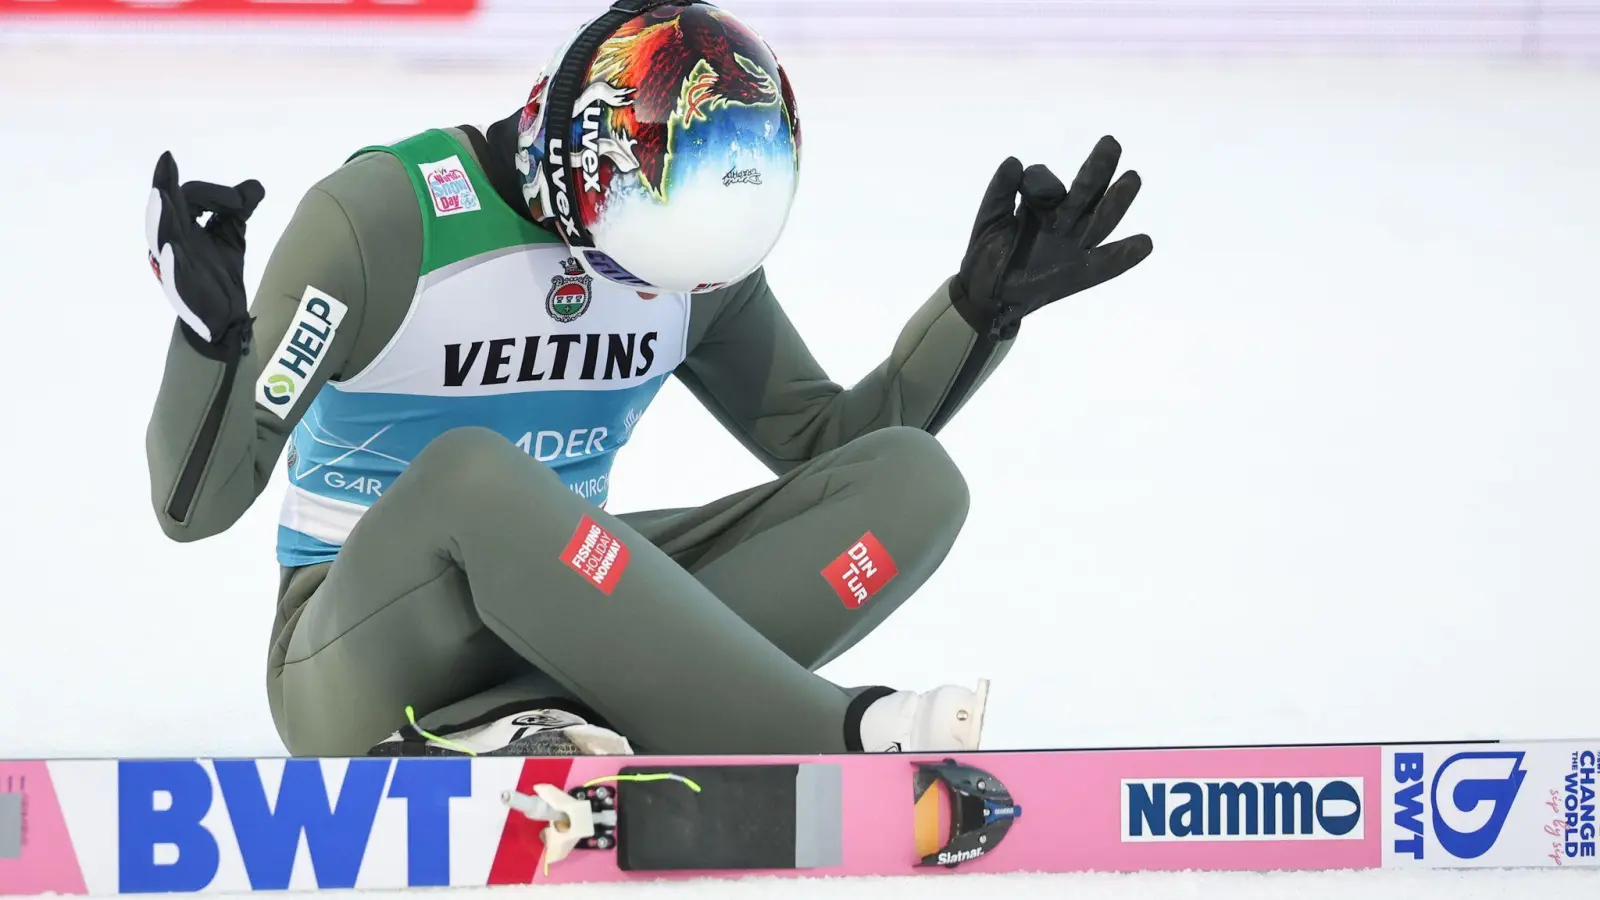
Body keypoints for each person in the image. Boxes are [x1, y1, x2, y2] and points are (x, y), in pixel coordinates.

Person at [142, 0, 1153, 759]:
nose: (666, 269)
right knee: (474, 479)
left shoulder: (683, 260)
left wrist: (977, 317)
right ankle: (837, 733)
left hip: (582, 614)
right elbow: (198, 506)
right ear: (578, 167)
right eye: (659, 225)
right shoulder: (383, 222)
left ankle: (548, 725)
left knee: (915, 483)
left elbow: (830, 455)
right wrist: (209, 344)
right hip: (354, 657)